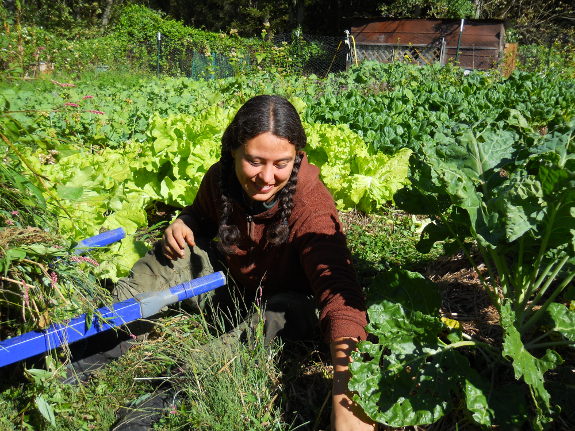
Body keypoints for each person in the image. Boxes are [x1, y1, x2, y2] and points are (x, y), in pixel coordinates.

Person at [114, 95, 375, 431]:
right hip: (228, 286)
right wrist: (185, 222)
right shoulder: (220, 178)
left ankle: (176, 387)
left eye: (281, 163)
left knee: (281, 313)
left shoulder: (311, 206)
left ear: (296, 157)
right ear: (232, 151)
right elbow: (200, 215)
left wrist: (347, 391)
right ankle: (101, 334)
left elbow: (339, 293)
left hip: (282, 307)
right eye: (254, 161)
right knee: (171, 258)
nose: (266, 177)